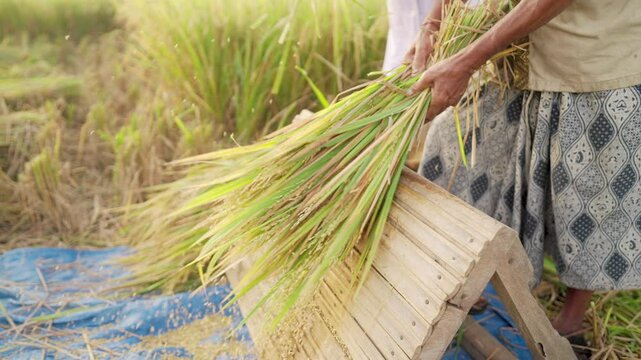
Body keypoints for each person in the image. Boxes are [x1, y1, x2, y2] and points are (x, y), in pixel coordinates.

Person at [407, 0, 641, 351]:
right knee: (452, 154)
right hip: (509, 56)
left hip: (588, 56)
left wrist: (468, 59)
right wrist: (433, 24)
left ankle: (572, 321)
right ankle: (470, 280)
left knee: (588, 196)